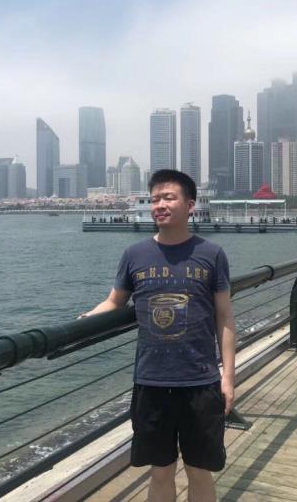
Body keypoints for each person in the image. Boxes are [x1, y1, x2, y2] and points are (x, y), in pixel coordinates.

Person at [81, 169, 236, 502]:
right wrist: (85, 320)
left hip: (200, 381)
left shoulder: (212, 254)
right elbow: (114, 301)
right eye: (154, 199)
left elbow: (224, 317)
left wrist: (228, 378)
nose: (160, 205)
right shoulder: (134, 255)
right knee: (160, 470)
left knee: (199, 470)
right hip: (151, 382)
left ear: (190, 205)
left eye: (169, 198)